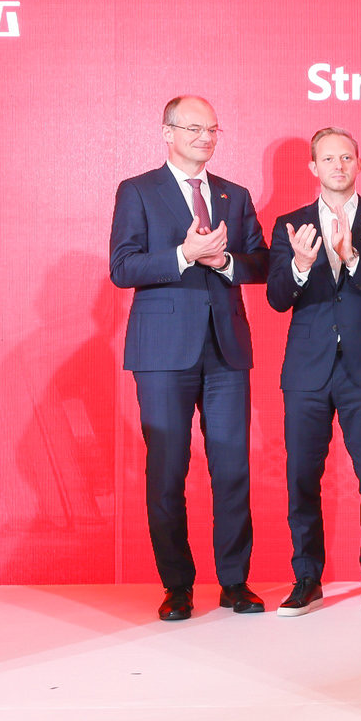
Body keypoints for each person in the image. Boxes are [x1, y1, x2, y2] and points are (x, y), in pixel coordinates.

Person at [108, 95, 269, 621]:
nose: (205, 138)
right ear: (168, 132)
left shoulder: (234, 195)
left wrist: (223, 261)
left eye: (212, 129)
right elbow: (122, 267)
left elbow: (260, 262)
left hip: (226, 349)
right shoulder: (138, 191)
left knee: (232, 467)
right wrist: (183, 255)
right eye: (194, 128)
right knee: (167, 470)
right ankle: (177, 585)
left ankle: (235, 581)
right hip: (162, 351)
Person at [266, 128, 361, 617]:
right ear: (313, 167)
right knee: (301, 477)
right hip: (306, 370)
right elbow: (277, 298)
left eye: (346, 157)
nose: (338, 166)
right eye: (328, 159)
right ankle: (307, 578)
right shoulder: (290, 224)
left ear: (359, 164)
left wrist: (351, 258)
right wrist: (301, 266)